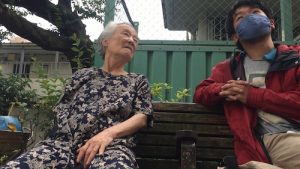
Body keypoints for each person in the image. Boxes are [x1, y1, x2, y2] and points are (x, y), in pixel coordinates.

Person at [1, 22, 153, 169]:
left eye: (135, 39)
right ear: (106, 41)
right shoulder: (83, 75)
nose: (131, 40)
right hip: (61, 146)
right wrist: (65, 142)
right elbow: (62, 108)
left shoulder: (137, 81)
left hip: (109, 148)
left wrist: (107, 134)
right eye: (126, 34)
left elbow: (142, 117)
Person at [193, 0, 300, 168]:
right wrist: (223, 89)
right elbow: (200, 92)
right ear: (235, 35)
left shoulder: (296, 58)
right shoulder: (228, 69)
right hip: (262, 144)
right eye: (240, 17)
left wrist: (251, 95)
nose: (249, 18)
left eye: (255, 12)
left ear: (271, 23)